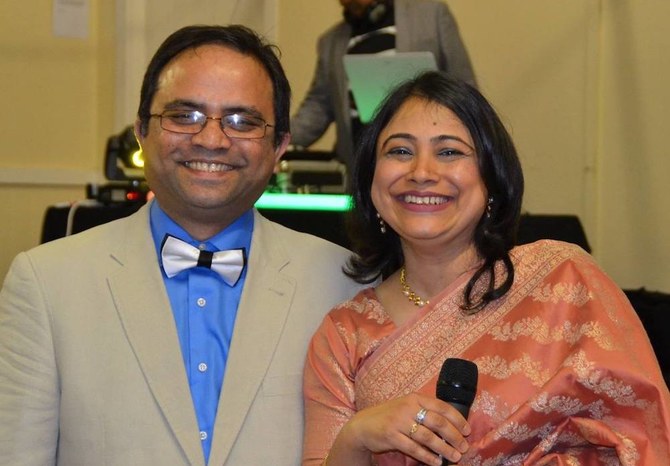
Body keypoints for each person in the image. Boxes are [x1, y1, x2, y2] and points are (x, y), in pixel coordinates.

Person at [0, 25, 364, 466]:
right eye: (184, 116)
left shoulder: (343, 284)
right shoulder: (46, 283)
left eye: (242, 121)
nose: (211, 139)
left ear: (279, 147)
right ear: (141, 130)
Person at [302, 71, 670, 465]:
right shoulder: (345, 334)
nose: (421, 172)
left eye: (449, 152)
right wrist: (357, 436)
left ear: (491, 179)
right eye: (400, 151)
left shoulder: (564, 283)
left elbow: (644, 438)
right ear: (371, 180)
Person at [291, 0, 477, 175]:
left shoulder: (432, 14)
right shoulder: (330, 42)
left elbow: (464, 87)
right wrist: (280, 139)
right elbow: (318, 106)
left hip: (427, 164)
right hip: (361, 168)